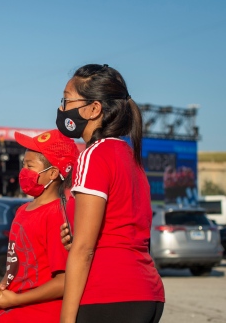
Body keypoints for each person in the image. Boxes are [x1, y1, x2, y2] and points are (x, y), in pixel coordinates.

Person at [57, 64, 165, 323]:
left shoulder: (94, 155)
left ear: (94, 109)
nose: (62, 109)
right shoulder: (130, 158)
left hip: (109, 295)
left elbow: (84, 250)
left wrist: (66, 318)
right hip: (147, 292)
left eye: (67, 100)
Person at [0, 129, 79, 322]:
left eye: (30, 165)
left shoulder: (57, 215)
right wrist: (2, 287)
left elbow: (64, 282)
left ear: (53, 173)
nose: (24, 171)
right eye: (23, 165)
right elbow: (15, 264)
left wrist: (16, 300)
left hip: (41, 315)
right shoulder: (22, 211)